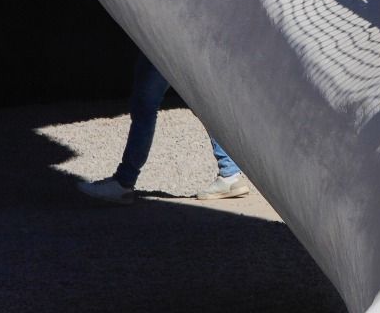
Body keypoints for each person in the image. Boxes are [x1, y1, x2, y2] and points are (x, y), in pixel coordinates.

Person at [77, 52, 251, 204]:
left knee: (145, 106)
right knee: (202, 104)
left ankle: (124, 181)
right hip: (185, 41)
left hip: (163, 44)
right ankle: (229, 172)